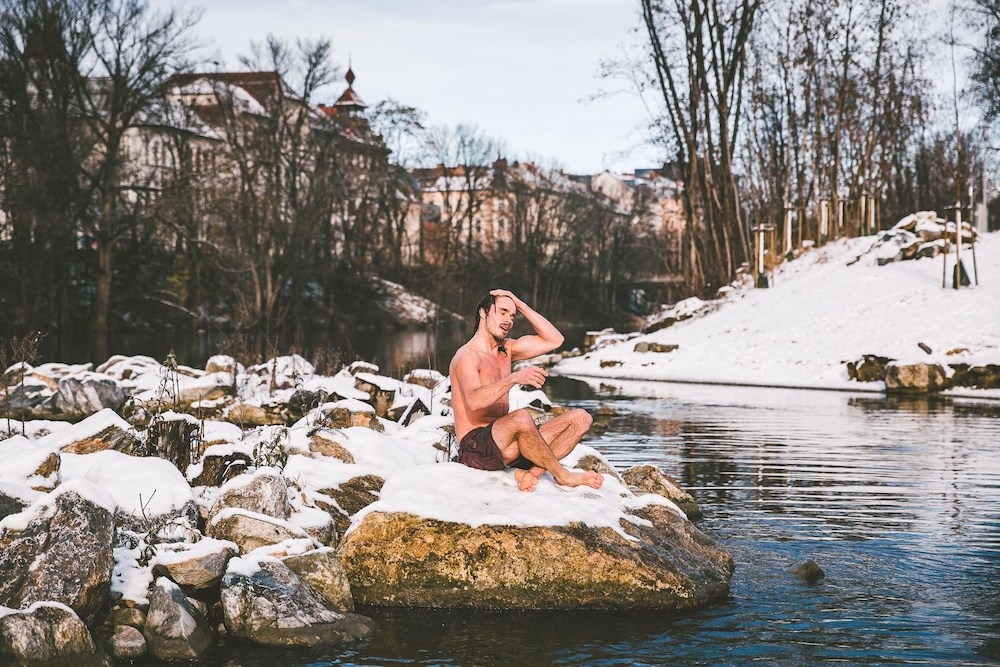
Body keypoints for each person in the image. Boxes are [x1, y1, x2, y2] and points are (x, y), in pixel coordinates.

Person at [449, 288, 604, 493]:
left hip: (508, 445)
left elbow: (555, 340)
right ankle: (562, 475)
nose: (508, 320)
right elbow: (474, 401)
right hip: (477, 448)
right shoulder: (467, 356)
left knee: (581, 418)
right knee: (521, 417)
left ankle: (532, 474)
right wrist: (515, 378)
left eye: (513, 316)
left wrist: (520, 303)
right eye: (502, 312)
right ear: (483, 313)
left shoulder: (507, 350)